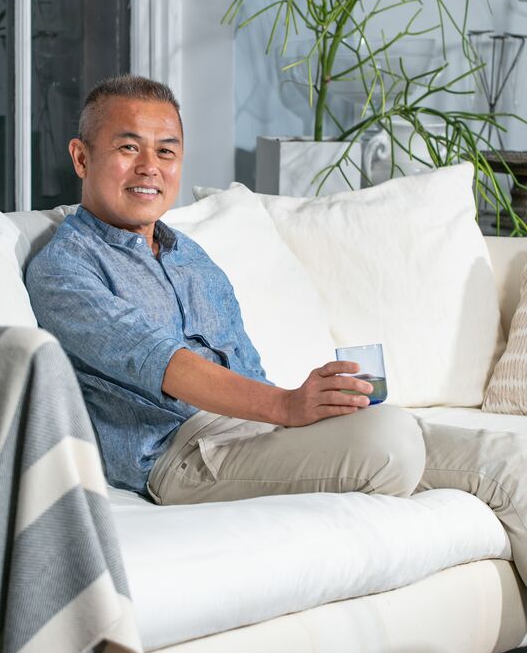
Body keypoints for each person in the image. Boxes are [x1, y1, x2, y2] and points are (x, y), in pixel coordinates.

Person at [26, 74, 527, 585]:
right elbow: (162, 362)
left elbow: (247, 365)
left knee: (510, 459)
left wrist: (306, 411)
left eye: (166, 151)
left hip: (259, 430)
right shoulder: (65, 267)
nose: (149, 167)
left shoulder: (190, 256)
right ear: (82, 158)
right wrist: (287, 406)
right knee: (390, 438)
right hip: (185, 456)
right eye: (128, 147)